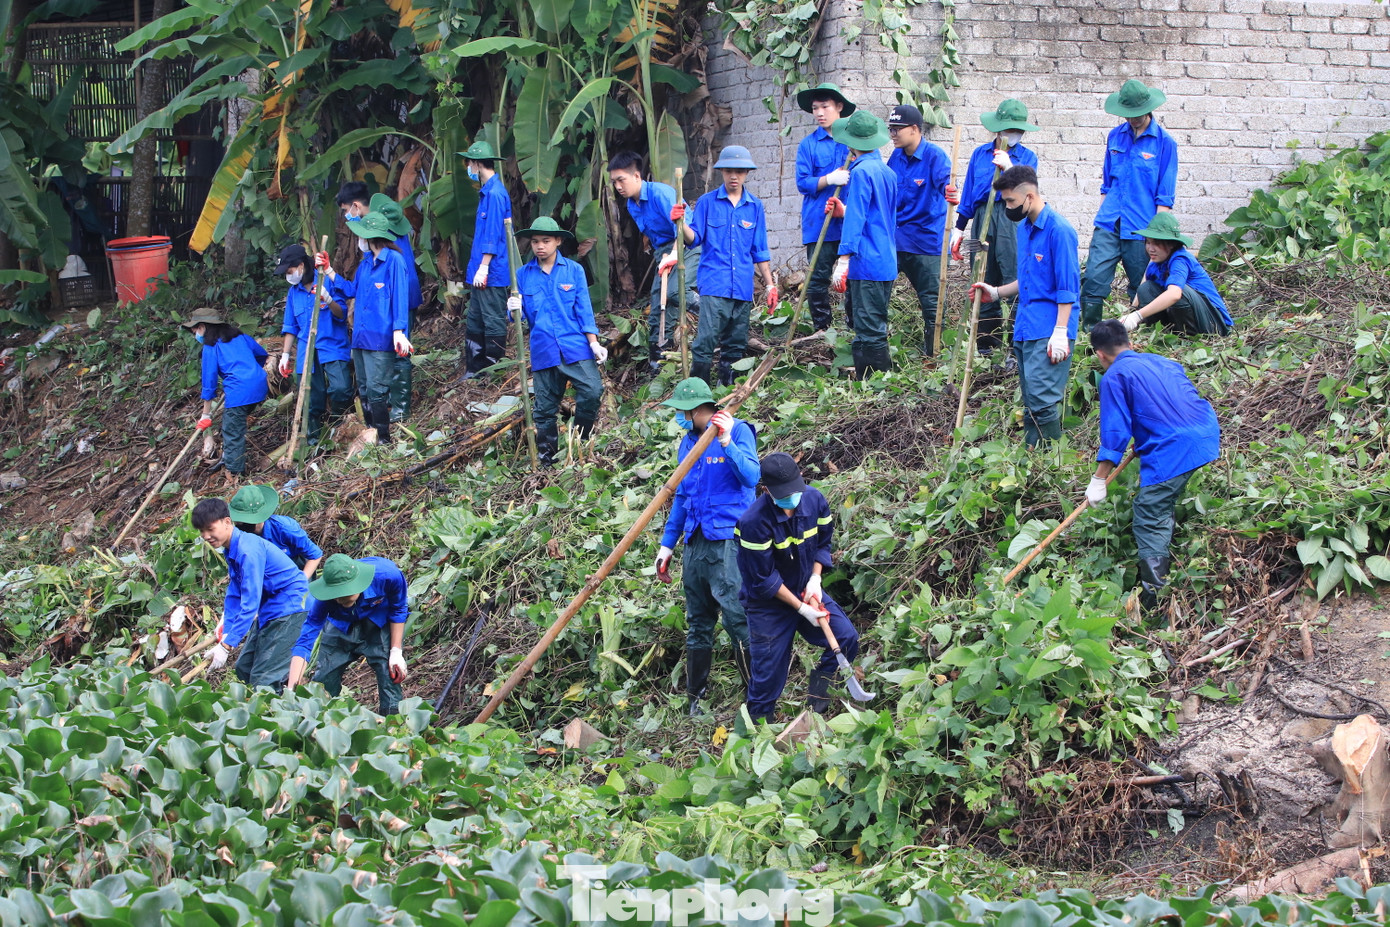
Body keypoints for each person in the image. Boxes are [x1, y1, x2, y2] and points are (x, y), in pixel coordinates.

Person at [1085, 319, 1220, 607]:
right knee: (1160, 498)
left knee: (1148, 509)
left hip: (1174, 447)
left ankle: (1156, 595)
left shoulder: (1113, 377)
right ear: (1130, 343)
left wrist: (1098, 480)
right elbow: (1172, 400)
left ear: (1100, 354)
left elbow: (1115, 432)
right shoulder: (1163, 361)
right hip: (1206, 432)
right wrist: (1146, 433)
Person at [655, 377, 759, 715]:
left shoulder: (739, 430)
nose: (681, 417)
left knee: (736, 617)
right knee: (698, 621)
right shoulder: (686, 443)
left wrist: (728, 441)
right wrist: (668, 545)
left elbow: (751, 478)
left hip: (728, 540)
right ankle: (694, 700)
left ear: (702, 409)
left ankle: (757, 698)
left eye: (685, 411)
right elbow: (682, 496)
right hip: (696, 541)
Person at [736, 452, 859, 723]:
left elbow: (824, 544)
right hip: (768, 604)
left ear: (801, 477)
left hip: (806, 587)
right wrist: (801, 608)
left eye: (794, 490)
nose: (790, 499)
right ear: (766, 489)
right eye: (781, 494)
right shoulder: (753, 523)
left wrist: (815, 580)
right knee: (768, 672)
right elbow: (763, 578)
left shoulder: (814, 500)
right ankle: (757, 731)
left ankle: (817, 705)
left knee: (846, 638)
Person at [970, 166, 1079, 447]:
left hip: (1049, 328)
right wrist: (996, 292)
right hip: (1025, 327)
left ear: (1029, 196)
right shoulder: (1025, 230)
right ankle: (1033, 456)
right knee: (1030, 398)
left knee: (1043, 399)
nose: (1007, 207)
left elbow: (1068, 287)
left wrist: (1060, 331)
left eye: (1010, 202)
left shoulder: (1059, 231)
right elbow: (1029, 278)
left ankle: (1051, 460)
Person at [666, 145, 774, 387]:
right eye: (728, 171)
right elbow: (694, 239)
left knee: (735, 345)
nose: (733, 176)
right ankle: (698, 397)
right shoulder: (706, 203)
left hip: (743, 287)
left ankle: (729, 394)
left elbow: (760, 250)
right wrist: (679, 222)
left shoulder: (754, 206)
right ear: (721, 172)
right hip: (715, 284)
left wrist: (769, 286)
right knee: (706, 341)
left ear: (747, 173)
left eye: (739, 171)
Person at [1079, 79, 1178, 329]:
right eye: (1127, 115)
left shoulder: (1165, 143)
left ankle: (1144, 335)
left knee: (1141, 285)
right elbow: (1107, 183)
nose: (1132, 119)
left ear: (1148, 109)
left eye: (1136, 115)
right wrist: (1103, 210)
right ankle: (1090, 333)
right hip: (1109, 221)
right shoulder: (1115, 136)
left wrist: (1156, 237)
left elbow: (1165, 197)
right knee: (1094, 278)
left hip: (1141, 227)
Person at [509, 217, 608, 467]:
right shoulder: (522, 274)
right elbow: (516, 316)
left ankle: (582, 440)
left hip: (574, 345)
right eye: (535, 241)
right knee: (544, 410)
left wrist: (594, 342)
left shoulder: (574, 270)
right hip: (544, 350)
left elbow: (584, 309)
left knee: (592, 390)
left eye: (546, 240)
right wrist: (512, 309)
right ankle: (546, 462)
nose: (540, 246)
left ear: (558, 241)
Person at [951, 99, 1040, 356]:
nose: (1012, 135)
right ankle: (987, 349)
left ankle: (1015, 350)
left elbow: (1028, 193)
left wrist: (1010, 169)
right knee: (982, 279)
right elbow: (968, 194)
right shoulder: (980, 154)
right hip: (982, 219)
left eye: (1017, 131)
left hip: (1012, 220)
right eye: (1008, 129)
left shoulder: (1027, 157)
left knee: (1013, 279)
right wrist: (959, 228)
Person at [191, 497, 308, 690]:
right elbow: (235, 594)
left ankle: (282, 711)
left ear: (227, 522)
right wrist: (227, 632)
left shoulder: (248, 550)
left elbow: (250, 602)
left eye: (210, 529)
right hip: (271, 609)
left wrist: (227, 647)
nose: (206, 536)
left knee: (264, 681)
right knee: (244, 668)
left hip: (291, 607)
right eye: (202, 531)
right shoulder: (232, 549)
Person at [317, 211, 412, 443]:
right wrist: (329, 271)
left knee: (378, 389)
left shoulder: (394, 261)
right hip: (360, 338)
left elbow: (400, 296)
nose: (358, 241)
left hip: (381, 338)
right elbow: (351, 291)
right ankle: (371, 432)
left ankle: (384, 437)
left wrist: (399, 331)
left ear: (370, 238)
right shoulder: (366, 264)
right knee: (365, 388)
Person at [609, 150, 699, 376]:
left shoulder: (661, 194)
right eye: (614, 182)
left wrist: (674, 254)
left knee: (673, 293)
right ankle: (658, 359)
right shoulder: (632, 204)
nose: (618, 186)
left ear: (637, 176)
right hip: (664, 252)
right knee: (659, 303)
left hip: (687, 244)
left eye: (622, 180)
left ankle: (712, 310)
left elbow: (686, 231)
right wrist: (661, 254)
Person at [290, 553, 409, 716]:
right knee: (325, 674)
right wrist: (292, 686)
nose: (339, 600)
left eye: (345, 595)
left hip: (377, 620)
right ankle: (322, 720)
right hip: (340, 625)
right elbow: (306, 639)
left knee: (387, 670)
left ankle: (392, 723)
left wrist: (396, 651)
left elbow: (398, 609)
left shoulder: (387, 576)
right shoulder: (323, 600)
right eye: (335, 596)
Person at [827, 110, 898, 377]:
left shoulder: (860, 173)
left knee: (869, 329)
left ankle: (878, 386)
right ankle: (866, 382)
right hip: (885, 259)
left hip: (866, 261)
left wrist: (843, 258)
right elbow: (879, 215)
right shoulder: (886, 172)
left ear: (853, 143)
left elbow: (856, 218)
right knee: (869, 324)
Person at [885, 104, 958, 357]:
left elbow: (946, 183)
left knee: (933, 305)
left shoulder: (935, 157)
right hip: (896, 241)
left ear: (914, 129)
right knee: (877, 291)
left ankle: (934, 356)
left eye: (897, 129)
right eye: (890, 129)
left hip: (927, 244)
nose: (892, 134)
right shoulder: (895, 157)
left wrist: (951, 191)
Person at [275, 243, 351, 446]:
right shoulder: (294, 292)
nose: (288, 276)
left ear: (301, 265)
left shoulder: (327, 281)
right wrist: (284, 355)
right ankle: (313, 442)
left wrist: (328, 298)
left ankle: (339, 426)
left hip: (332, 343)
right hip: (305, 348)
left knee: (341, 388)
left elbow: (342, 313)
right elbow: (290, 326)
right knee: (309, 397)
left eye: (290, 271)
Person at [181, 307, 268, 480]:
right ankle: (229, 457)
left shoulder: (211, 347)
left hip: (240, 390)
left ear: (204, 327)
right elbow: (261, 354)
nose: (195, 334)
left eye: (195, 329)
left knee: (232, 430)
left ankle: (235, 473)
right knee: (232, 422)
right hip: (259, 385)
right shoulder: (240, 337)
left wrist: (205, 414)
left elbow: (209, 381)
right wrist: (251, 372)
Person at [795, 82, 855, 332]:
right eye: (815, 108)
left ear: (839, 107)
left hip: (848, 221)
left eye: (825, 107)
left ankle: (854, 328)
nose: (819, 113)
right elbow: (803, 183)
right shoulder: (808, 145)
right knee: (817, 279)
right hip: (818, 222)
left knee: (853, 278)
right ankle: (823, 329)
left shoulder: (851, 142)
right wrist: (829, 179)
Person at [1122, 213, 1232, 336]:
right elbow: (1142, 293)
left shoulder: (1180, 259)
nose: (1151, 248)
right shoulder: (1156, 262)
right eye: (1148, 242)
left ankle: (1188, 338)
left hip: (1214, 324)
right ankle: (1162, 333)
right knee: (1146, 288)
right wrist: (1129, 315)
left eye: (1157, 243)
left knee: (1179, 291)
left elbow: (1174, 294)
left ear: (1172, 244)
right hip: (1187, 318)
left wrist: (1138, 316)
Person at [460, 140, 513, 378]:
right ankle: (474, 371)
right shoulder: (486, 192)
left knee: (492, 321)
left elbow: (493, 234)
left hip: (492, 272)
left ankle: (493, 373)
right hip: (481, 271)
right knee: (475, 319)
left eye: (469, 163)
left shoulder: (494, 194)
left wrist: (484, 267)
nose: (467, 168)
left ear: (477, 163)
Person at [369, 192, 422, 422]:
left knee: (400, 350)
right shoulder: (400, 237)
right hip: (401, 298)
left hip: (397, 301)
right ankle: (395, 404)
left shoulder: (389, 245)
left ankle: (400, 408)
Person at [227, 484, 323, 580]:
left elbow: (315, 555)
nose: (238, 525)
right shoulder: (238, 536)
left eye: (241, 521)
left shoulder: (285, 528)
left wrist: (302, 581)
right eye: (237, 522)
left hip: (294, 571)